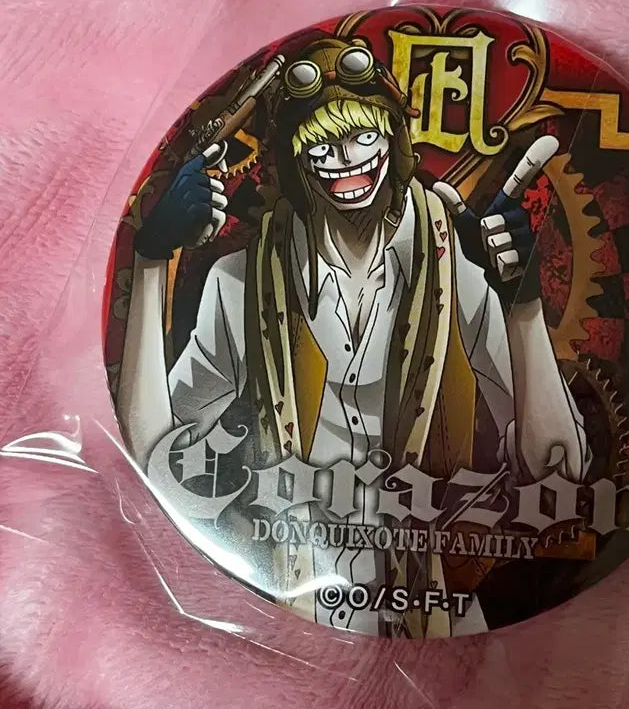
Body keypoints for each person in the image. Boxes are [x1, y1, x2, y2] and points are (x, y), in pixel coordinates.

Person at [117, 36, 589, 636]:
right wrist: (151, 258)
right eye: (321, 144)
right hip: (287, 609)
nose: (345, 158)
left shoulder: (455, 270)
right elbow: (154, 460)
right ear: (295, 160)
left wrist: (522, 305)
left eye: (364, 136)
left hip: (439, 619)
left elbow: (558, 471)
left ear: (393, 142)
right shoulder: (241, 282)